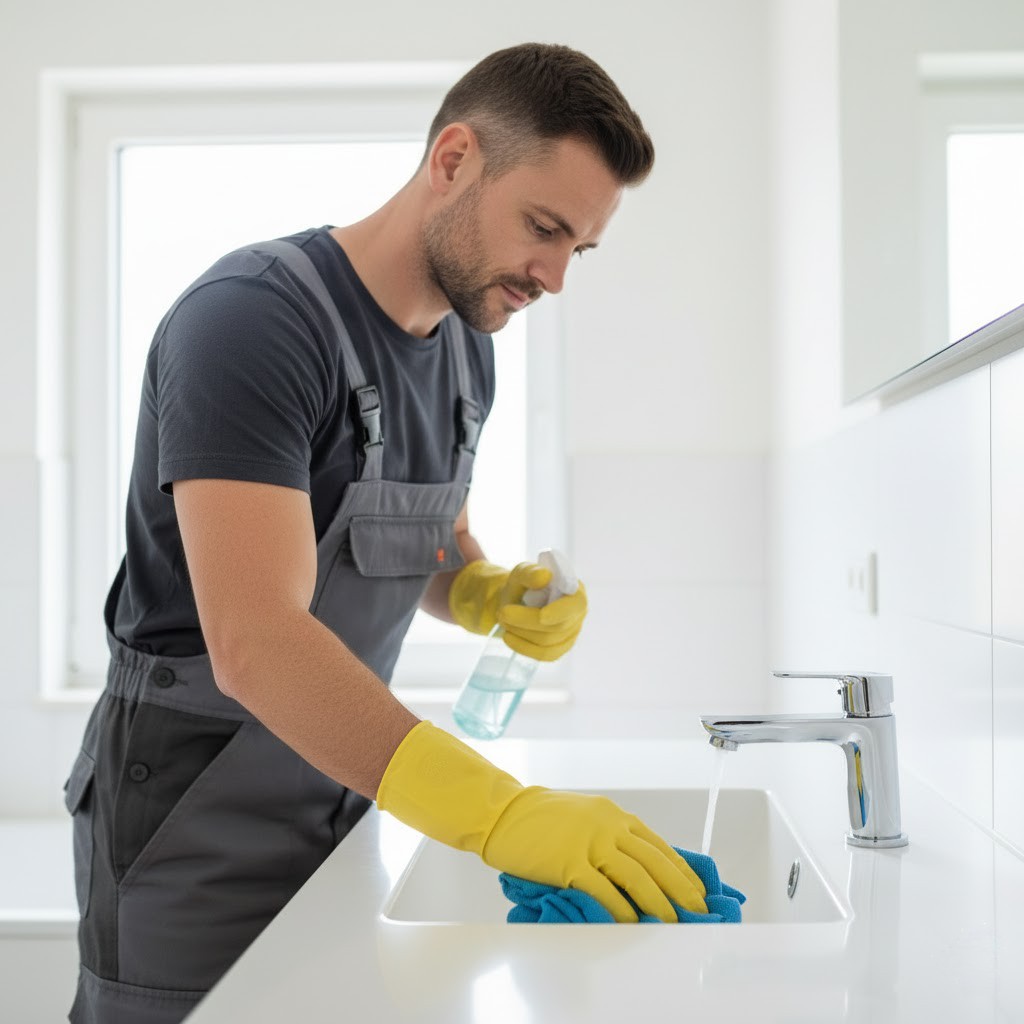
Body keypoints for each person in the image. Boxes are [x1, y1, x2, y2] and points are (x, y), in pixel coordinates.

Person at [62, 42, 709, 1024]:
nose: (553, 277)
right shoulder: (251, 323)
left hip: (340, 799)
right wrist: (496, 812)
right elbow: (254, 638)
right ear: (452, 159)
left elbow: (418, 540)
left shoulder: (464, 351)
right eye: (542, 228)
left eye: (576, 248)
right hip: (192, 833)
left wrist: (487, 592)